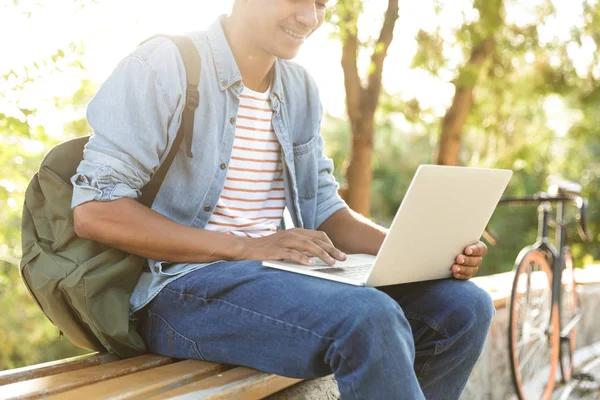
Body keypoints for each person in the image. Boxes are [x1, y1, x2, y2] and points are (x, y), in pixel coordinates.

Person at [71, 1, 495, 398]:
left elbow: (325, 211)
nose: (310, 18)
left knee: (464, 307)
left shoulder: (298, 88)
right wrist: (245, 247)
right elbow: (96, 211)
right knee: (367, 317)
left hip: (276, 278)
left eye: (322, 5)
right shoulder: (164, 65)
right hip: (178, 290)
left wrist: (417, 251)